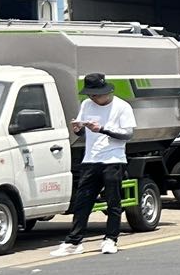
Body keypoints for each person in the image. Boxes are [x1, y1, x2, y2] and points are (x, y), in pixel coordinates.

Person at [50, 73, 136, 257]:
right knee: (83, 202)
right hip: (90, 159)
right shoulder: (86, 105)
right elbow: (84, 133)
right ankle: (74, 242)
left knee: (113, 202)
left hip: (114, 159)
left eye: (96, 95)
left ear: (106, 92)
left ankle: (111, 239)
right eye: (90, 95)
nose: (93, 98)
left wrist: (102, 129)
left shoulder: (122, 107)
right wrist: (78, 130)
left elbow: (128, 134)